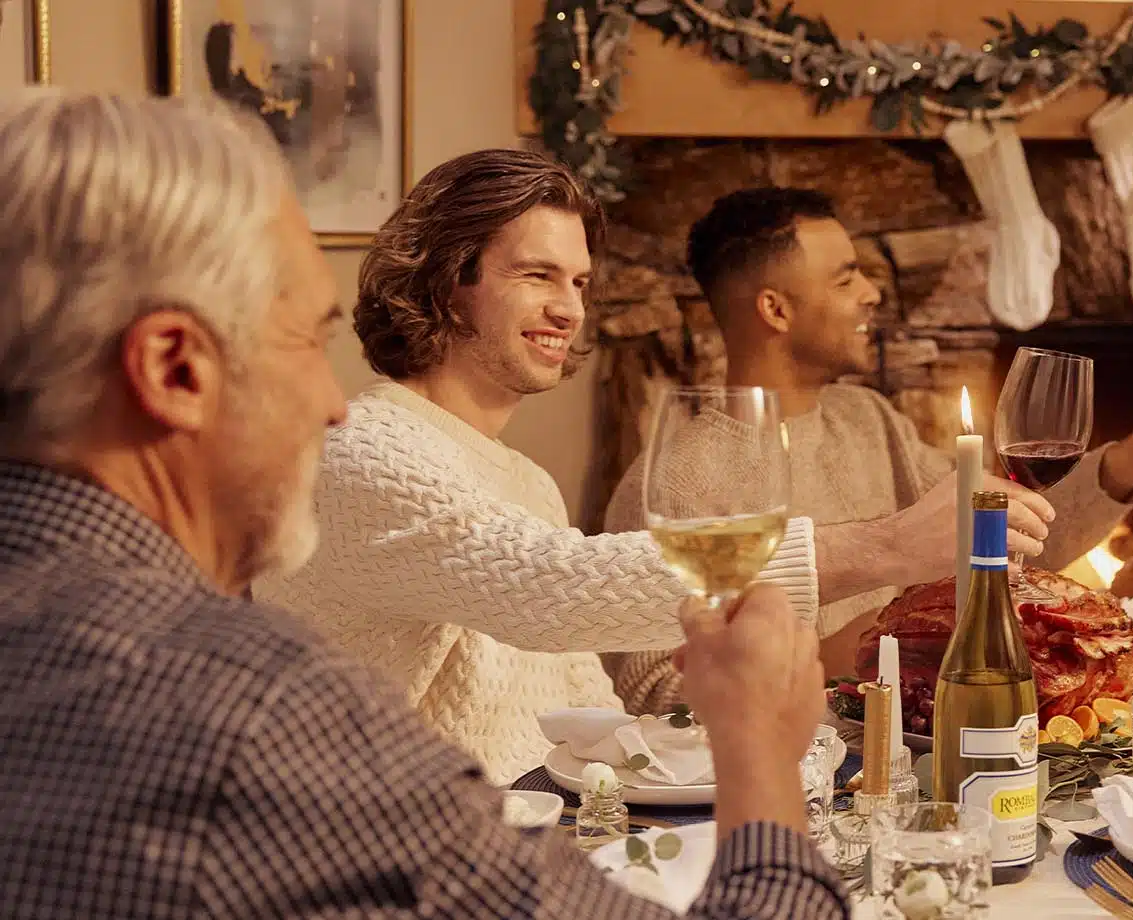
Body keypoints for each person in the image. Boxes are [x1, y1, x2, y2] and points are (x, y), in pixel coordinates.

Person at [0, 90, 844, 919]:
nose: (330, 403)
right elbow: (548, 585)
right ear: (174, 369)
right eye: (304, 340)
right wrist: (758, 752)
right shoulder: (256, 712)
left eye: (579, 281)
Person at [254, 152, 1042, 783]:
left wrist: (735, 752)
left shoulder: (523, 481)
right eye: (538, 276)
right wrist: (881, 551)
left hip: (549, 841)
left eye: (581, 283)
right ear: (447, 280)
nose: (570, 308)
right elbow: (553, 586)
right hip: (392, 872)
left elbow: (588, 706)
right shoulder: (366, 449)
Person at [602, 187, 1133, 696]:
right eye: (846, 280)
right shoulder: (678, 479)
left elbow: (1012, 538)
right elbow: (647, 694)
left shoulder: (866, 420)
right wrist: (825, 658)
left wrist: (1121, 465)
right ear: (776, 309)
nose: (871, 293)